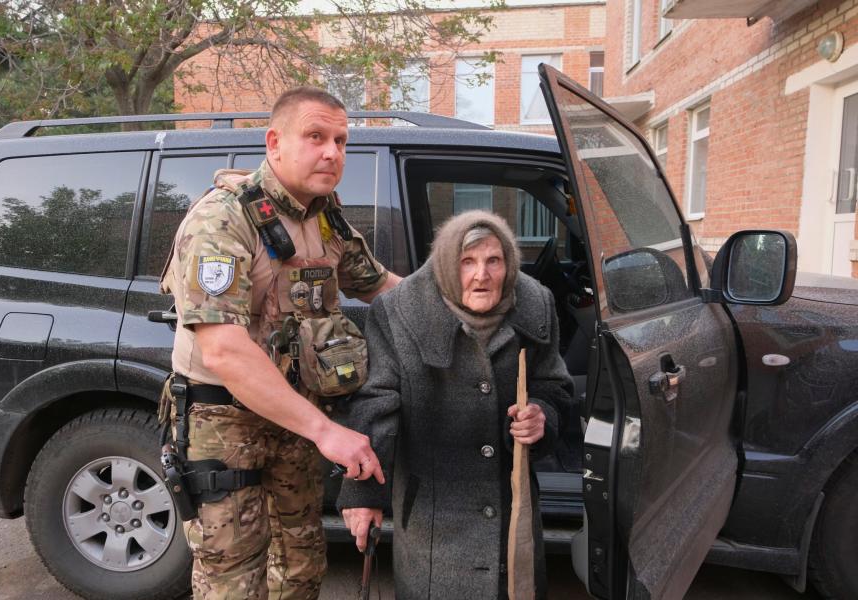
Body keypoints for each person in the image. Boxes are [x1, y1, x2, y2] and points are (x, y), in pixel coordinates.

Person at [159, 86, 401, 600]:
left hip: (293, 421)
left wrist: (466, 297)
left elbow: (382, 286)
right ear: (274, 142)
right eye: (315, 136)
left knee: (300, 567)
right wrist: (326, 431)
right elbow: (223, 348)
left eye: (340, 140)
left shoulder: (323, 216)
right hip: (223, 424)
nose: (332, 152)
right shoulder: (222, 219)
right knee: (234, 582)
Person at [337, 210, 573, 600]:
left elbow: (555, 385)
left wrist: (541, 415)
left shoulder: (536, 303)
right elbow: (376, 406)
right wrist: (363, 495)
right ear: (447, 263)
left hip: (511, 507)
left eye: (493, 260)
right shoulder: (398, 311)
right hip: (432, 514)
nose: (482, 275)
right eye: (467, 262)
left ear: (508, 262)